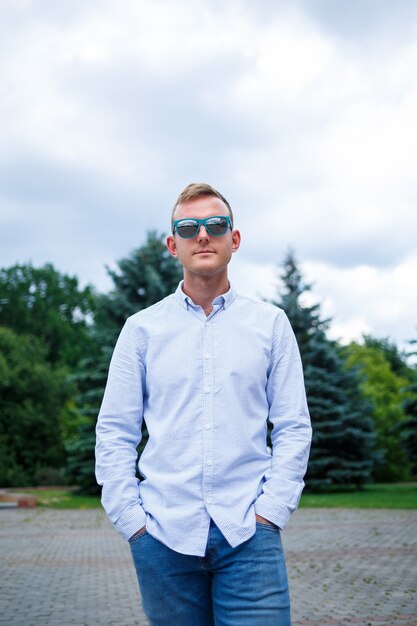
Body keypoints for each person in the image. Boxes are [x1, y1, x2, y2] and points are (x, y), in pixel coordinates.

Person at [95, 182, 312, 626]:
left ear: (234, 238)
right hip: (162, 537)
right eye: (189, 227)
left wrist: (270, 513)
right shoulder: (141, 330)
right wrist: (133, 522)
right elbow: (115, 431)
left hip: (250, 535)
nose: (203, 235)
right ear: (173, 245)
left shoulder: (270, 325)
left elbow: (293, 426)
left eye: (215, 224)